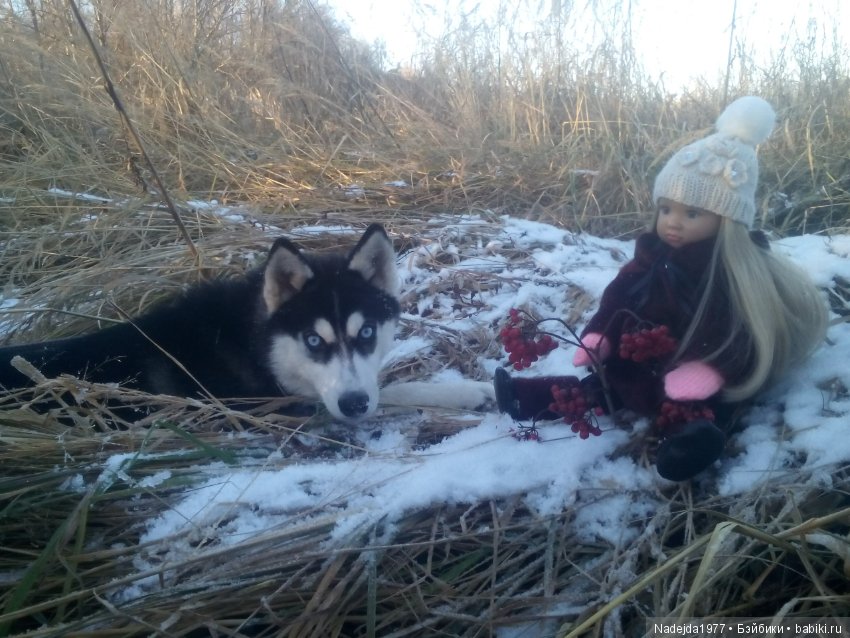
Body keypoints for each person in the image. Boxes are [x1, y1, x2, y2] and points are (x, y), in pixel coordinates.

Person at [495, 96, 828, 481]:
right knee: (599, 390)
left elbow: (742, 331)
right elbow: (618, 296)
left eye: (692, 214)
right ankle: (526, 397)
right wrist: (600, 334)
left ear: (727, 220)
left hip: (688, 371)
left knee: (688, 408)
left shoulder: (730, 274)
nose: (673, 223)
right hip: (637, 364)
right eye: (666, 209)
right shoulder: (649, 255)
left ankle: (689, 446)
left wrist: (710, 369)